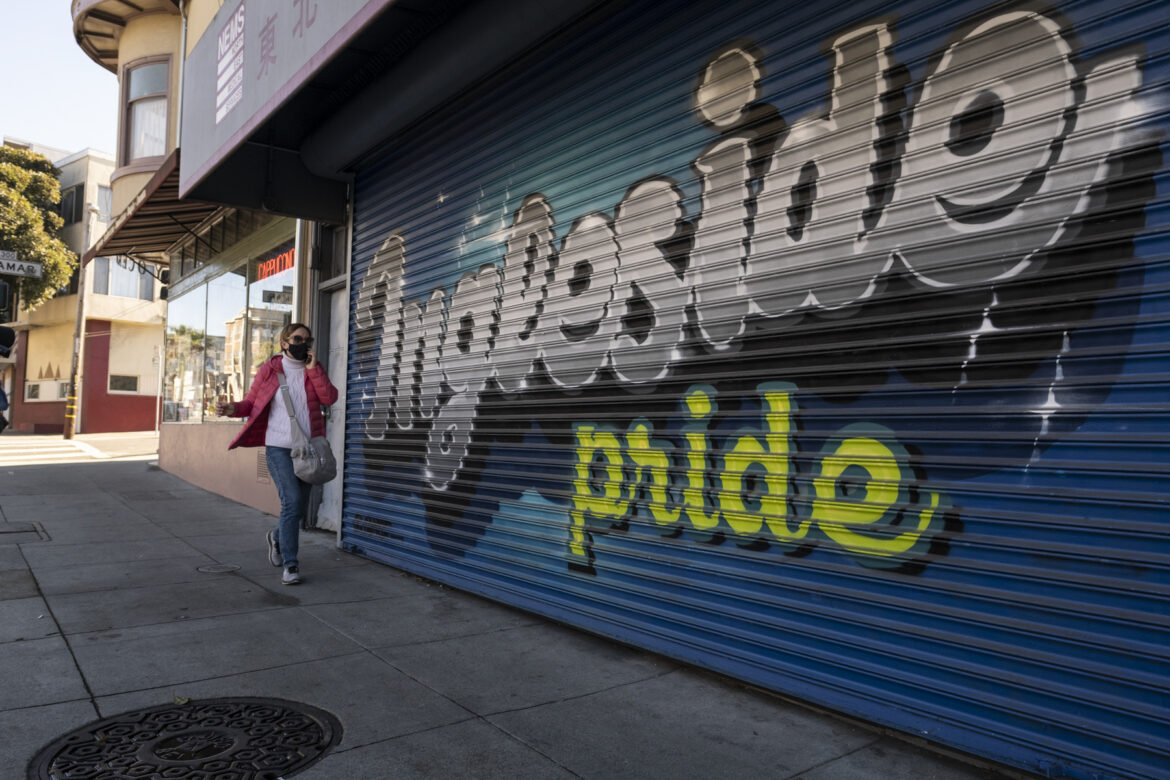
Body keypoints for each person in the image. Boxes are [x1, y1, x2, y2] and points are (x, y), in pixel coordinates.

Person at [216, 323, 338, 585]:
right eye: (297, 338)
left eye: (307, 339)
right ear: (284, 342)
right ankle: (291, 565)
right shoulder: (270, 370)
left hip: (308, 449)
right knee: (292, 502)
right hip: (278, 446)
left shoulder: (312, 370)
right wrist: (232, 409)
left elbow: (329, 398)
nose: (302, 343)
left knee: (298, 511)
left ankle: (276, 536)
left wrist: (313, 369)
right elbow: (251, 402)